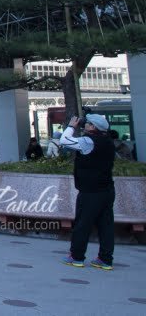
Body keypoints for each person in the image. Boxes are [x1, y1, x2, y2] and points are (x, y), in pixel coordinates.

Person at [60, 114, 116, 271]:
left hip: (90, 191)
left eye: (88, 123)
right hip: (107, 189)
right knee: (106, 225)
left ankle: (76, 257)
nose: (85, 125)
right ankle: (105, 259)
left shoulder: (88, 141)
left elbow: (65, 140)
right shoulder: (108, 141)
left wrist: (71, 126)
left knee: (83, 224)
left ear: (93, 127)